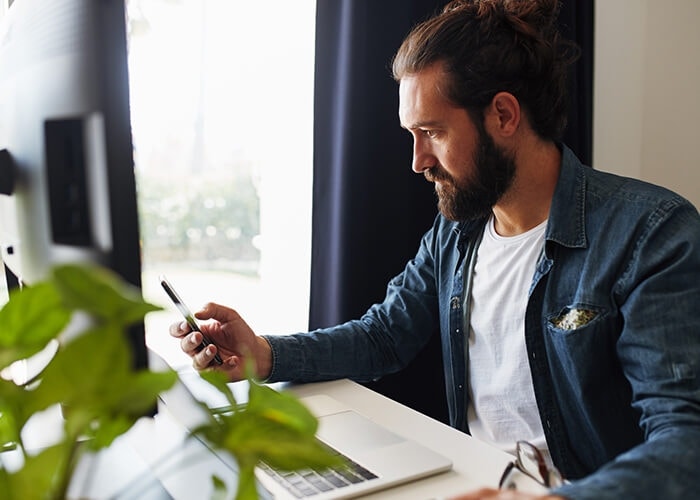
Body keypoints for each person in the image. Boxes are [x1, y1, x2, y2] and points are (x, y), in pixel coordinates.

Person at [170, 1, 700, 498]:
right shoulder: (460, 230)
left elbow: (686, 442)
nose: (418, 161)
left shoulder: (651, 233)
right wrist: (264, 353)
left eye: (433, 132)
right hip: (471, 482)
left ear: (504, 116)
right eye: (412, 134)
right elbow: (384, 337)